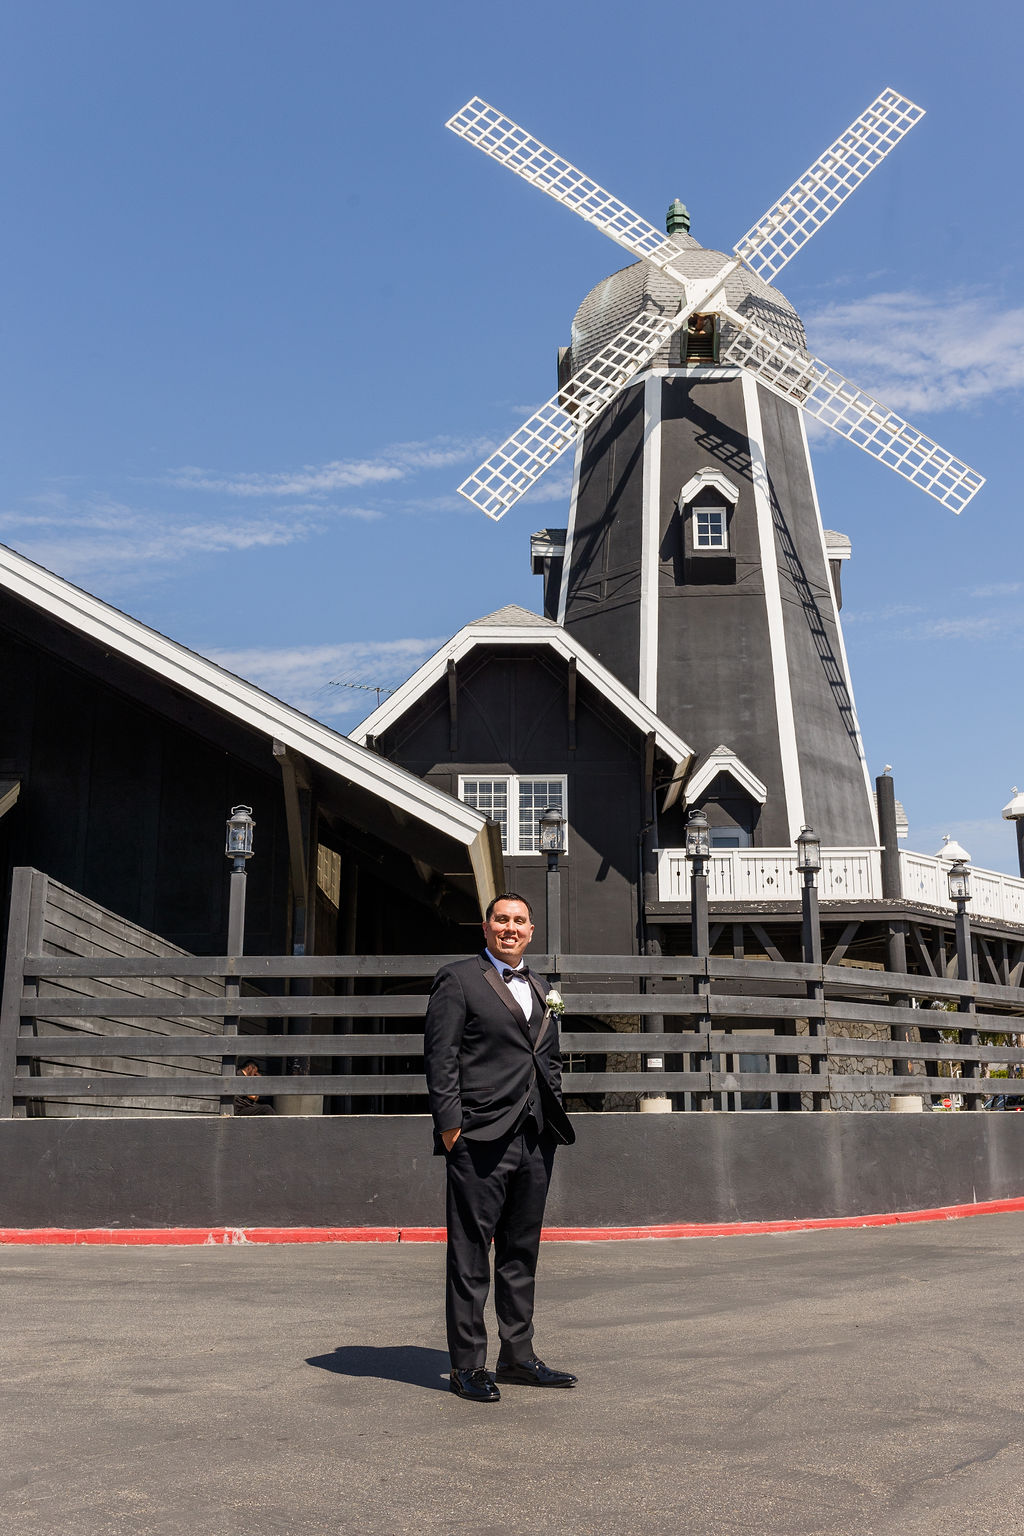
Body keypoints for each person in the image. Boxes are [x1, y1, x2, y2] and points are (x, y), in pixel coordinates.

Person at [424, 891, 577, 1403]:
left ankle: (518, 1357)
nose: (510, 928)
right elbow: (440, 1055)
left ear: (531, 931)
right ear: (485, 927)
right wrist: (451, 1127)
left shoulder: (541, 984)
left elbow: (546, 1057)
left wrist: (551, 1108)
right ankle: (466, 1366)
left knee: (520, 1252)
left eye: (519, 921)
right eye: (501, 920)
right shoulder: (459, 978)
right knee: (470, 1253)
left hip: (535, 1138)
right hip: (479, 1136)